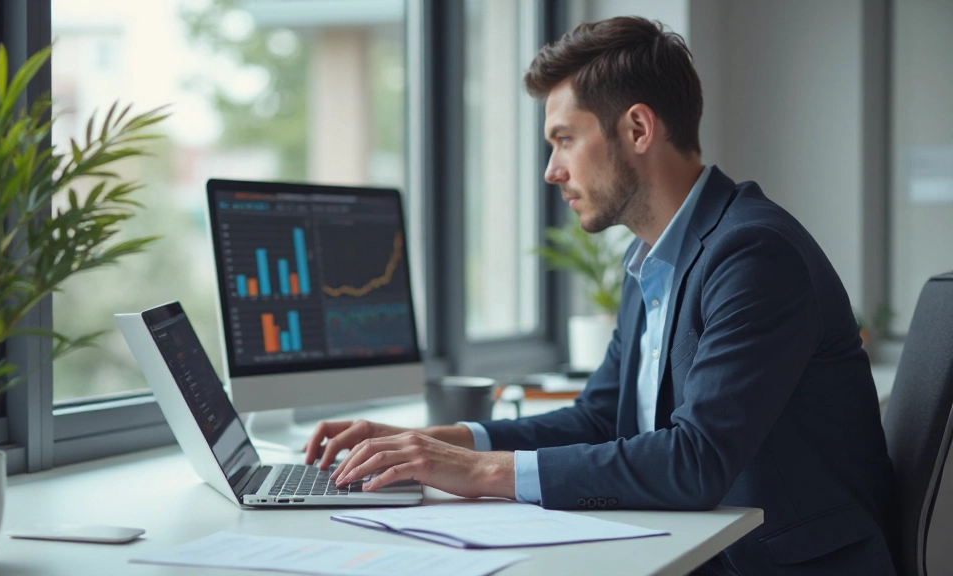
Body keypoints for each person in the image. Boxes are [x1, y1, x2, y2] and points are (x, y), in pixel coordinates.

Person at [304, 16, 895, 576]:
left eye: (564, 139)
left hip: (777, 564)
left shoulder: (753, 254)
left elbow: (695, 462)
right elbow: (598, 418)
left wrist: (477, 469)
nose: (551, 171)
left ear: (638, 128)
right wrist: (441, 442)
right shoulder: (654, 258)